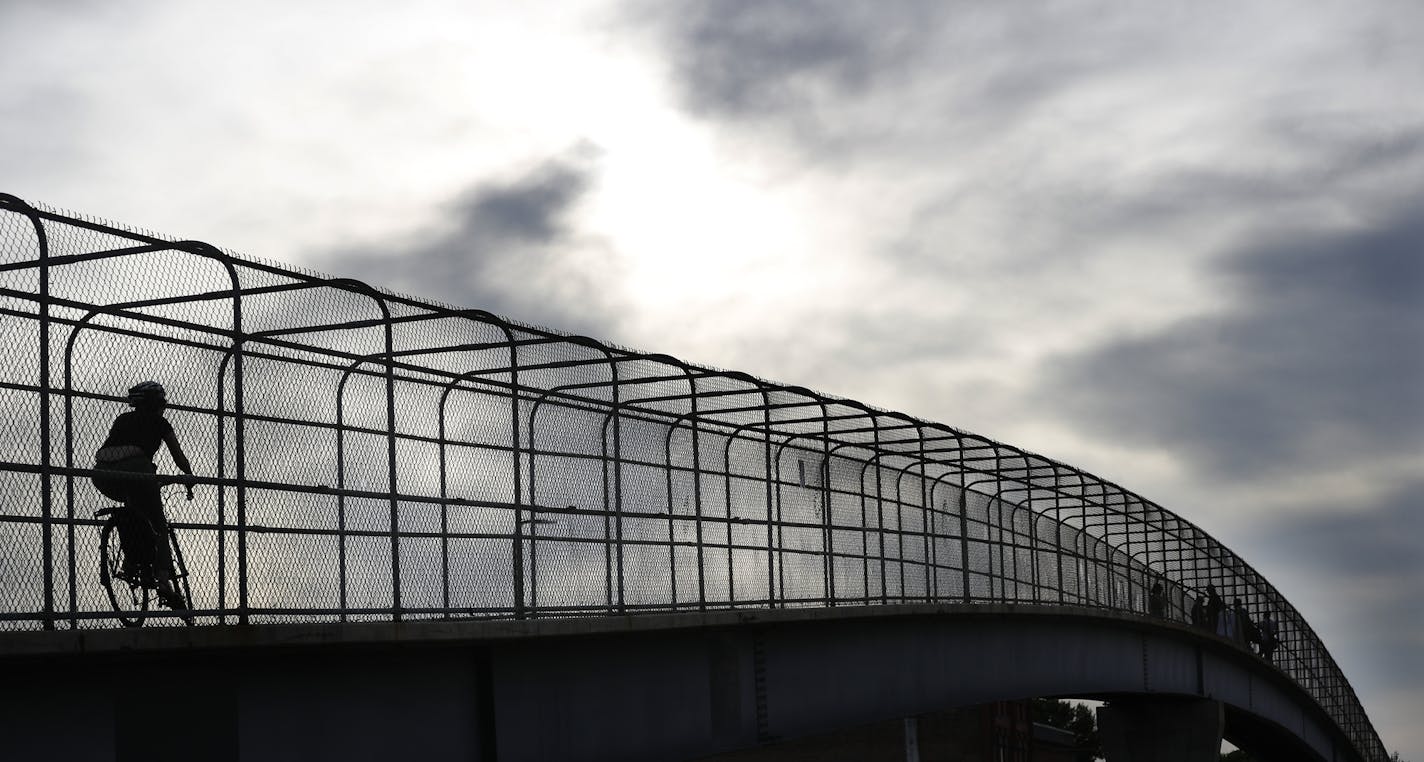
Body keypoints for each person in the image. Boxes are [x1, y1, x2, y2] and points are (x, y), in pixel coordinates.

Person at [92, 381, 194, 611]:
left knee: (134, 511)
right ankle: (163, 581)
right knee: (158, 524)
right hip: (138, 469)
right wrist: (189, 477)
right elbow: (178, 456)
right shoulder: (160, 423)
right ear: (157, 403)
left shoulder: (122, 419)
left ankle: (130, 564)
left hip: (102, 473)